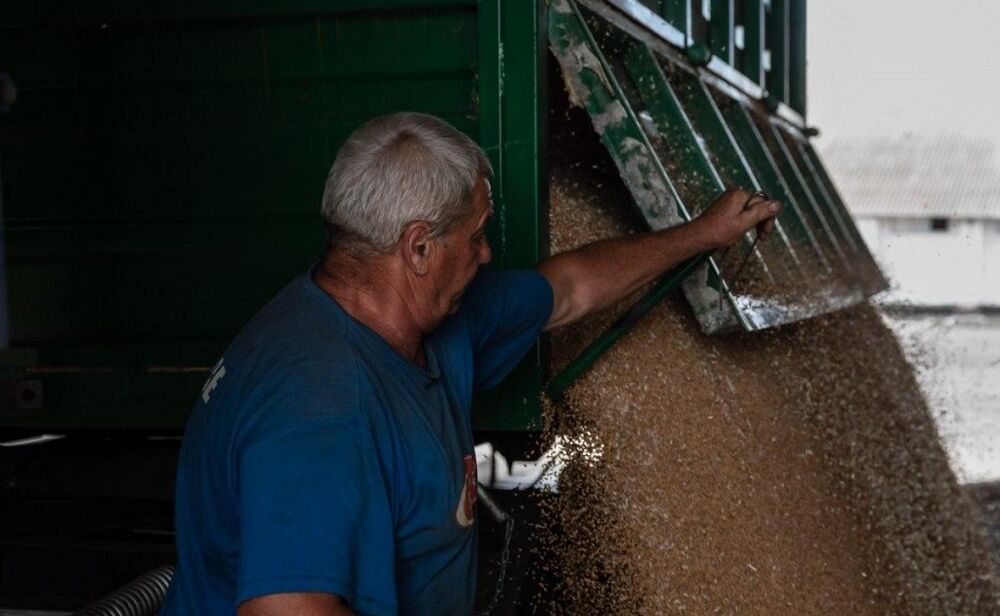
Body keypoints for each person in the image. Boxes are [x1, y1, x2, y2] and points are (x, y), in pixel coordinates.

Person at [160, 112, 779, 616]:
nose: (486, 254)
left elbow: (567, 288)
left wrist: (702, 235)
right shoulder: (319, 409)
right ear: (420, 247)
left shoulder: (431, 323)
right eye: (478, 234)